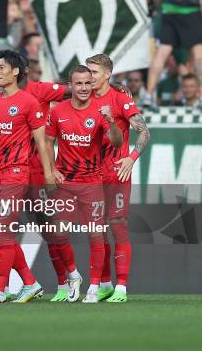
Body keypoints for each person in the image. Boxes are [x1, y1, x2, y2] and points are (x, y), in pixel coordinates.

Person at [0, 50, 54, 304]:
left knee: (3, 229)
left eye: (1, 67)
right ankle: (30, 283)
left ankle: (0, 289)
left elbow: (42, 143)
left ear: (16, 71)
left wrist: (49, 174)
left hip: (16, 173)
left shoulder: (28, 102)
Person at [45, 65, 123, 304]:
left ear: (92, 85)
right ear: (71, 86)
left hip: (91, 182)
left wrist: (111, 121)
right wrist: (52, 170)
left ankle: (94, 287)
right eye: (78, 84)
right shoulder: (58, 111)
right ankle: (74, 274)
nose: (83, 88)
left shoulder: (100, 112)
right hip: (66, 182)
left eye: (87, 83)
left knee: (96, 235)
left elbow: (117, 142)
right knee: (58, 234)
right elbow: (48, 143)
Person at [87, 53, 151, 303]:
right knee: (95, 232)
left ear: (106, 74)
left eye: (93, 71)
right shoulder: (82, 98)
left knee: (117, 228)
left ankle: (122, 287)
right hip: (90, 176)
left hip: (116, 174)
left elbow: (144, 132)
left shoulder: (120, 99)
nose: (88, 76)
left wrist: (131, 157)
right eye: (87, 70)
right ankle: (104, 284)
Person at [144, 0, 202, 106]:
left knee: (162, 53)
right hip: (189, 11)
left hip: (169, 10)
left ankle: (148, 96)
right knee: (199, 55)